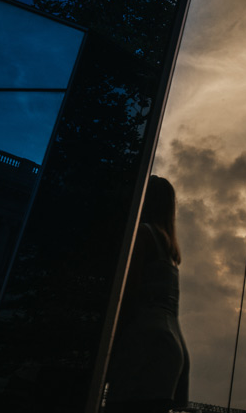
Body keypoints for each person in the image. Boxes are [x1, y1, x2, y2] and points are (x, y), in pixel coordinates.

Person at [105, 176, 189, 413]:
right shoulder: (172, 254)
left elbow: (127, 298)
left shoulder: (142, 235)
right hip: (169, 347)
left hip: (144, 343)